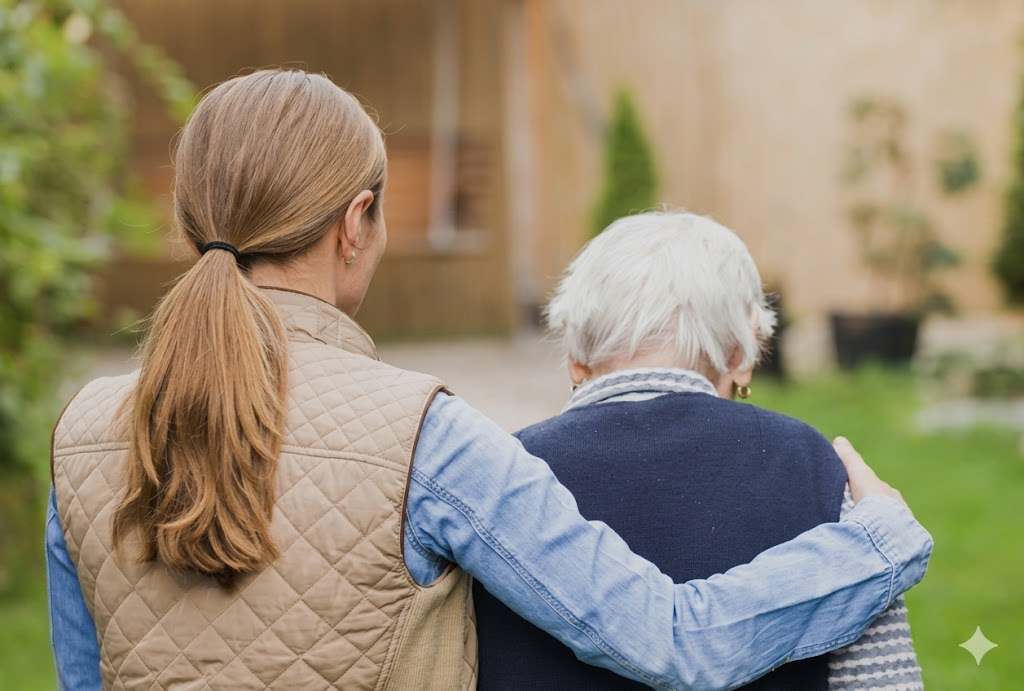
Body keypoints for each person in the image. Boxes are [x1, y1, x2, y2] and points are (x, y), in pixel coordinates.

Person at [47, 70, 931, 691]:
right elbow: (672, 640)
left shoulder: (80, 434)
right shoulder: (423, 437)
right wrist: (877, 545)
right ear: (357, 223)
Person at [474, 211, 924, 690]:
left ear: (573, 350)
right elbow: (881, 678)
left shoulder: (499, 474)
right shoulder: (814, 465)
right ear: (743, 352)